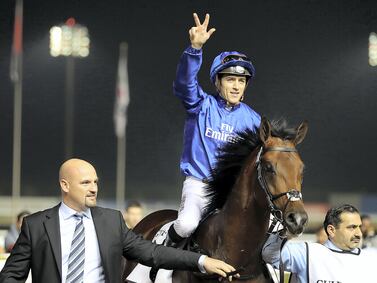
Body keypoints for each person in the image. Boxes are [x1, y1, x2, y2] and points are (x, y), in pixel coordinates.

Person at [0, 158, 238, 283]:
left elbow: (153, 252)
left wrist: (202, 261)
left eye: (95, 182)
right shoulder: (36, 225)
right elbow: (11, 275)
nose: (93, 188)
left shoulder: (111, 221)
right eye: (85, 183)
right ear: (65, 185)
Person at [166, 12, 261, 247]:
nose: (237, 86)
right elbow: (183, 84)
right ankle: (161, 254)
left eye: (241, 81)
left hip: (232, 192)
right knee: (187, 224)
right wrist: (195, 48)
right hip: (199, 185)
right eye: (230, 79)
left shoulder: (254, 121)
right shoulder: (201, 105)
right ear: (217, 82)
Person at [262, 204, 376, 283]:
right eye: (352, 227)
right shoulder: (307, 253)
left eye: (359, 227)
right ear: (331, 230)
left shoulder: (372, 257)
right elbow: (269, 255)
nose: (359, 234)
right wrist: (282, 226)